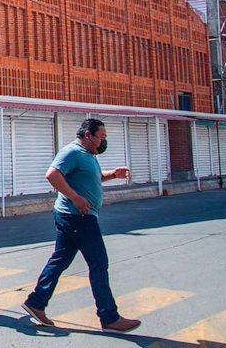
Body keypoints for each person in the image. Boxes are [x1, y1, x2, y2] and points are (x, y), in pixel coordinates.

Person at [22, 118, 141, 333]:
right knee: (99, 263)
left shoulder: (88, 155)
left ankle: (36, 302)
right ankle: (109, 317)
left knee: (60, 260)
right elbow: (52, 174)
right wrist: (75, 197)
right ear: (88, 135)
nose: (103, 141)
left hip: (73, 216)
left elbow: (91, 179)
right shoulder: (73, 152)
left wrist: (113, 174)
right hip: (78, 217)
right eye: (101, 137)